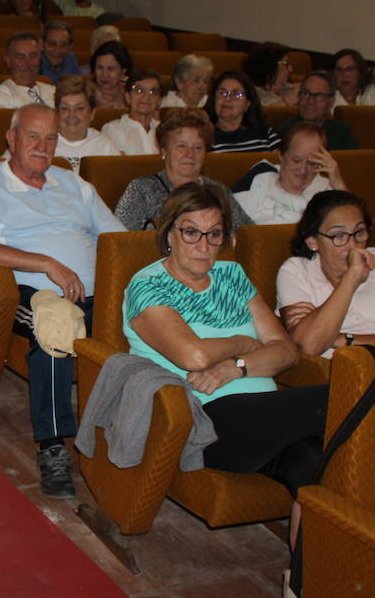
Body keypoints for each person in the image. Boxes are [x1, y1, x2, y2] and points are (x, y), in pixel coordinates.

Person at [0, 105, 123, 497]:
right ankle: (52, 446)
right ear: (11, 138)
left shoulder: (75, 185)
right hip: (25, 292)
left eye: (50, 138)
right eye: (33, 136)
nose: (43, 146)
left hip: (94, 293)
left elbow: (118, 240)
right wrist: (48, 264)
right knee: (54, 331)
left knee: (145, 322)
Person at [122, 182, 329, 493]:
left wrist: (237, 366)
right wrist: (245, 342)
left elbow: (287, 351)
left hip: (262, 419)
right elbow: (195, 357)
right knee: (341, 395)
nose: (204, 246)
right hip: (204, 421)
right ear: (169, 234)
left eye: (214, 234)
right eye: (191, 232)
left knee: (311, 463)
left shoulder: (232, 275)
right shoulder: (148, 286)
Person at [277, 190, 375, 358]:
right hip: (331, 372)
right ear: (313, 241)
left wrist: (344, 340)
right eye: (339, 236)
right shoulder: (295, 271)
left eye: (359, 232)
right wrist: (352, 278)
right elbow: (308, 345)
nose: (353, 245)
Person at [113, 109, 253, 231]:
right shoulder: (141, 189)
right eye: (181, 146)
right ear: (164, 150)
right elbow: (119, 241)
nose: (190, 154)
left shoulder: (218, 191)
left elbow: (248, 235)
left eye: (198, 147)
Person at [233, 122, 348, 224]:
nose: (303, 170)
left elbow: (353, 230)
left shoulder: (328, 191)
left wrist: (338, 183)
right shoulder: (259, 182)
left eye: (312, 163)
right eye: (296, 160)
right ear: (281, 156)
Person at [274, 69, 358, 149]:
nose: (310, 101)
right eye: (306, 94)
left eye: (319, 96)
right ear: (299, 97)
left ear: (331, 102)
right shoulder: (286, 133)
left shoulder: (342, 133)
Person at [205, 70, 279, 152]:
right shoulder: (205, 135)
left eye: (236, 94)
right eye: (222, 93)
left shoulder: (265, 133)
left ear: (247, 104)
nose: (227, 99)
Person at [54, 82, 120, 167]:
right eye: (65, 108)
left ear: (92, 113)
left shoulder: (105, 147)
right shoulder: (44, 144)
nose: (71, 115)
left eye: (80, 108)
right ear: (56, 113)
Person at [0, 32, 56, 108]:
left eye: (33, 55)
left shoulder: (54, 91)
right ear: (8, 61)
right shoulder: (0, 95)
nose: (28, 63)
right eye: (20, 56)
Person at [101, 70, 161, 155]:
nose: (146, 96)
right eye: (139, 90)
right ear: (128, 97)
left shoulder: (164, 130)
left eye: (152, 92)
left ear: (159, 100)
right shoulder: (113, 129)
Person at [242, 42, 298, 107]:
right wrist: (286, 101)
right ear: (270, 66)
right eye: (285, 64)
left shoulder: (283, 88)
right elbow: (262, 114)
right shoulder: (252, 96)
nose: (291, 69)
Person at [89, 39, 133, 110]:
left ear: (123, 71)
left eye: (111, 69)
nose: (104, 75)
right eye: (100, 68)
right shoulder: (85, 95)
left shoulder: (133, 96)